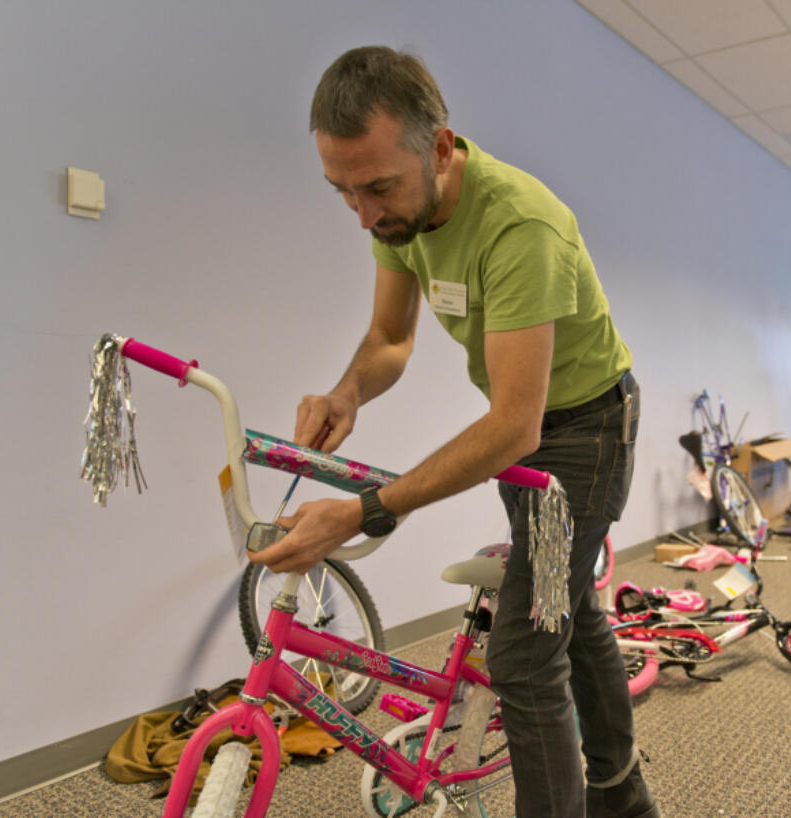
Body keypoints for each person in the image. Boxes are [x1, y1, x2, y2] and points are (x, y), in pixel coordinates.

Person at [247, 46, 657, 818]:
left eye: (376, 188)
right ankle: (620, 783)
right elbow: (389, 339)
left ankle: (610, 789)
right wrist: (348, 390)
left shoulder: (519, 224)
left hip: (587, 428)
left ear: (439, 147)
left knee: (526, 653)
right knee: (566, 605)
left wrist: (367, 508)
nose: (365, 215)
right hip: (532, 421)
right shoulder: (399, 213)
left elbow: (512, 426)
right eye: (342, 192)